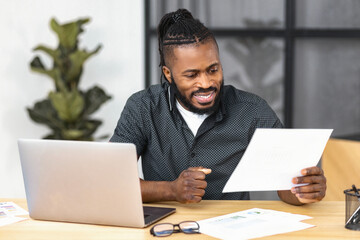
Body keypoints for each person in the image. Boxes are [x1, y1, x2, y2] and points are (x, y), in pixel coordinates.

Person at [110, 8, 326, 205]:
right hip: (163, 229)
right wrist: (171, 190)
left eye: (213, 70)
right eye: (192, 75)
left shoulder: (252, 110)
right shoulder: (143, 108)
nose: (205, 84)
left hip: (234, 228)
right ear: (169, 74)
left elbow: (286, 187)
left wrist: (304, 190)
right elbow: (112, 181)